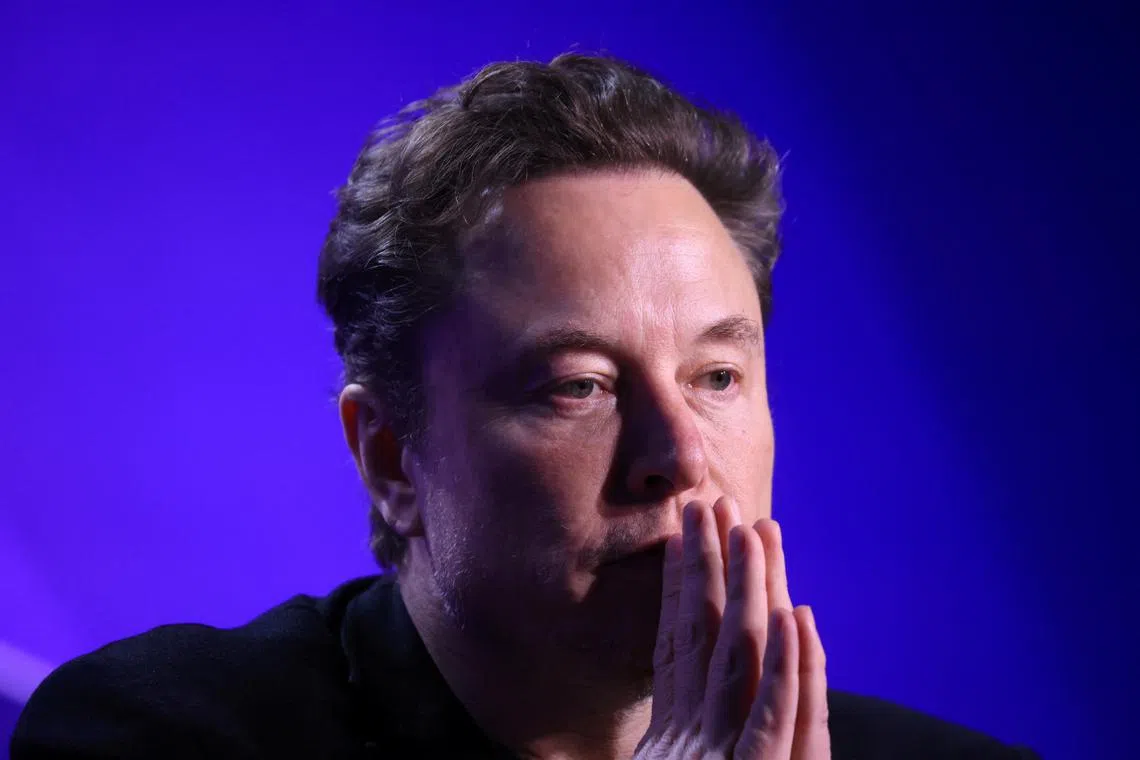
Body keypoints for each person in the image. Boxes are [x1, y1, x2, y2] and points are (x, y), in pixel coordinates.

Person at [11, 53, 1038, 759]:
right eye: (579, 385)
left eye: (716, 377)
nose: (679, 455)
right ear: (391, 458)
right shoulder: (157, 735)